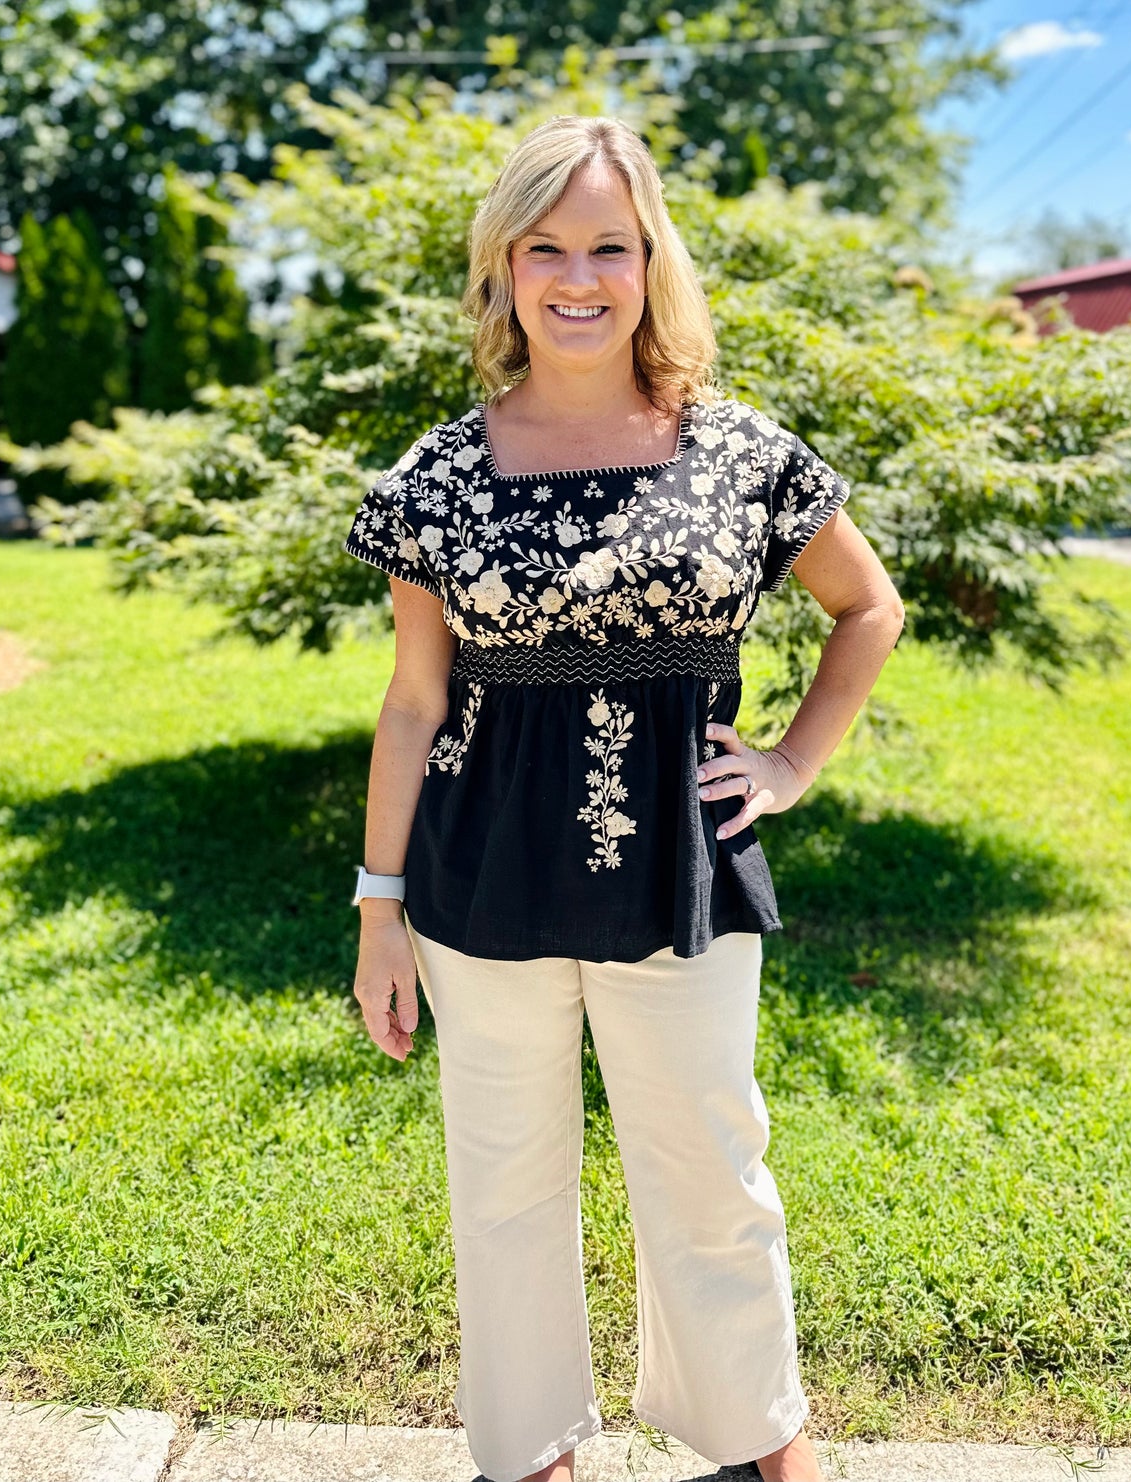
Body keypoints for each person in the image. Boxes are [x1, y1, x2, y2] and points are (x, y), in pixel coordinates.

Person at [343, 115, 906, 1482]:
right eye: (546, 246)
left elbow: (867, 606)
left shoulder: (739, 451)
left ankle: (759, 1441)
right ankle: (530, 1451)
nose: (578, 276)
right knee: (507, 1188)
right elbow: (415, 701)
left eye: (609, 243)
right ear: (505, 267)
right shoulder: (439, 476)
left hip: (687, 877)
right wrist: (378, 909)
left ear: (651, 259)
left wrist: (787, 763)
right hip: (481, 886)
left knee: (714, 1173)